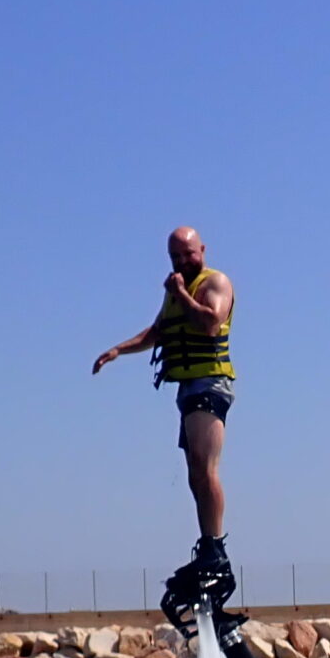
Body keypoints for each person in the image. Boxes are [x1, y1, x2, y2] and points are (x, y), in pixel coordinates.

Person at [94, 226, 236, 598]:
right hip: (187, 390)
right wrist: (117, 351)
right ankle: (207, 545)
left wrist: (180, 294)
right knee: (194, 475)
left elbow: (210, 323)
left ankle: (216, 549)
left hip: (210, 383)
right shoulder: (176, 292)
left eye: (188, 254)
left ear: (202, 249)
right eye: (175, 257)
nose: (182, 262)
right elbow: (157, 332)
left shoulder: (214, 283)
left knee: (206, 469)